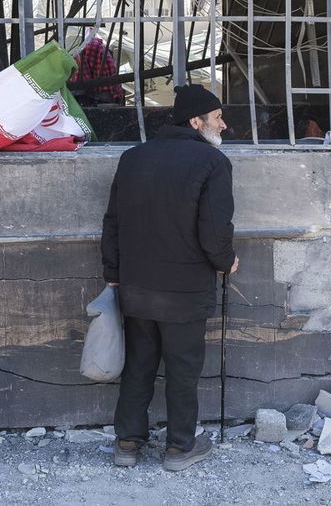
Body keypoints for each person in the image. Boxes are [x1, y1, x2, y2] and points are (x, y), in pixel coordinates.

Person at [101, 84, 239, 472]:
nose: (224, 125)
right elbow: (214, 230)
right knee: (182, 368)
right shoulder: (212, 163)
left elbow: (112, 222)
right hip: (183, 291)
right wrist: (226, 261)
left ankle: (127, 443)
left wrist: (113, 274)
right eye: (217, 118)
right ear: (196, 122)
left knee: (139, 363)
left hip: (135, 286)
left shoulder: (132, 158)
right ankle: (180, 447)